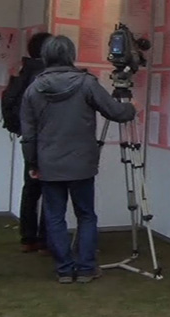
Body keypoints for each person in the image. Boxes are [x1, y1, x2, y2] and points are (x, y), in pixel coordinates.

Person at [20, 36, 136, 284]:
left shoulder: (33, 88)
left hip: (49, 162)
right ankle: (85, 267)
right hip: (82, 162)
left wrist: (32, 163)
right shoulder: (86, 83)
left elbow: (28, 135)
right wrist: (131, 108)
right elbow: (115, 112)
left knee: (54, 216)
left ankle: (64, 268)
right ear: (70, 55)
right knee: (86, 215)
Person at [5, 32, 52, 253]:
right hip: (49, 138)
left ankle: (28, 238)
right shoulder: (47, 75)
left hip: (29, 138)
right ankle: (45, 239)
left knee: (31, 189)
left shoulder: (24, 71)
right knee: (51, 190)